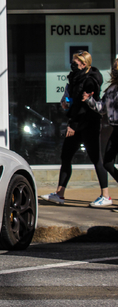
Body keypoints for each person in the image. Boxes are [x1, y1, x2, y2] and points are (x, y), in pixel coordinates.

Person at [42, 51, 106, 207]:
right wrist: (66, 103)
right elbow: (74, 101)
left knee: (96, 159)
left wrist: (73, 125)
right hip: (76, 123)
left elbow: (85, 107)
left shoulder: (90, 81)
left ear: (84, 64)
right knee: (66, 157)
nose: (72, 64)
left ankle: (106, 195)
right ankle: (59, 194)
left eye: (75, 62)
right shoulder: (74, 78)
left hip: (88, 124)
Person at [82, 57, 118, 210]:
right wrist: (89, 100)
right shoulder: (111, 89)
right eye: (115, 67)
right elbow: (102, 108)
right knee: (108, 163)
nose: (115, 69)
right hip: (116, 128)